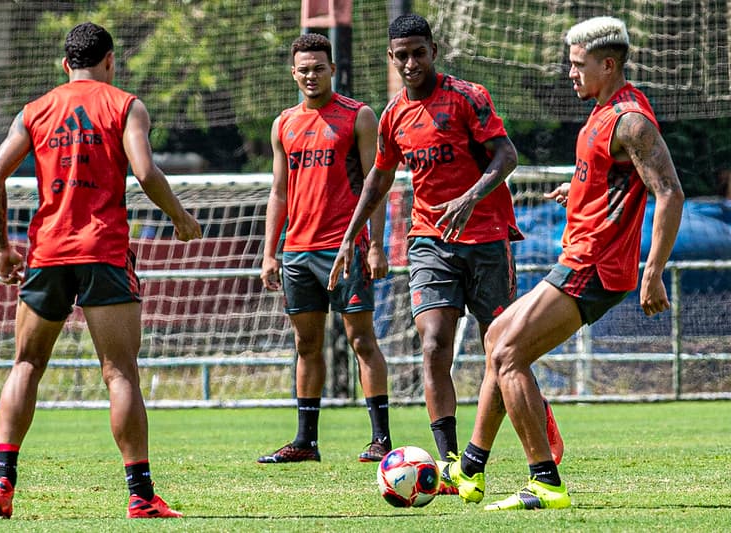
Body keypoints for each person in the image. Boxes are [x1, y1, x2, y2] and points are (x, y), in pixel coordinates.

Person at [447, 16, 685, 510]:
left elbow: (669, 192)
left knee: (509, 353)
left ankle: (545, 481)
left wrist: (654, 271)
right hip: (579, 258)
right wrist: (575, 191)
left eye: (578, 65)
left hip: (595, 266)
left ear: (609, 64)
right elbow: (611, 180)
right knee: (495, 340)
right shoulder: (602, 113)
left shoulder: (630, 120)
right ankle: (470, 469)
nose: (570, 73)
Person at [327, 13, 563, 495]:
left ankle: (536, 435)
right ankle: (452, 464)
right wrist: (350, 237)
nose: (411, 62)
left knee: (501, 350)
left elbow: (507, 155)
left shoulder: (467, 98)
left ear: (434, 51)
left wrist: (471, 196)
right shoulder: (393, 115)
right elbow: (378, 177)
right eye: (401, 55)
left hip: (488, 240)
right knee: (433, 344)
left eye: (419, 52)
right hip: (430, 241)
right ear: (391, 59)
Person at [0, 22, 202, 519]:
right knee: (119, 371)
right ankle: (141, 496)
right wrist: (180, 218)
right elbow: (145, 172)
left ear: (65, 65)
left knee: (26, 365)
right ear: (110, 61)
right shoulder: (125, 105)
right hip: (102, 249)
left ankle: (1, 481)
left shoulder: (35, 111)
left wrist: (1, 249)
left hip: (47, 252)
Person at [256, 33, 393, 464]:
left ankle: (381, 439)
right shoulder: (283, 124)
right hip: (297, 251)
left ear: (332, 69)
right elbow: (278, 192)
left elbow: (377, 185)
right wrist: (270, 252)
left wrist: (374, 246)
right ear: (292, 73)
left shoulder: (359, 117)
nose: (311, 75)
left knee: (361, 340)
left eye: (319, 67)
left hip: (346, 248)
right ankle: (305, 442)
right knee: (305, 345)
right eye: (304, 68)